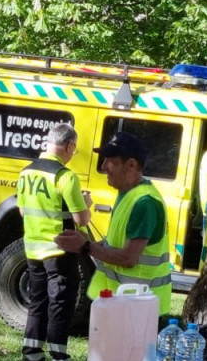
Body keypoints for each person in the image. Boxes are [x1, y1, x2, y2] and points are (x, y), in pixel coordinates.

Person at [53, 131, 172, 325]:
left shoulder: (144, 203)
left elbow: (128, 258)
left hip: (139, 306)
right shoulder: (128, 194)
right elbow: (114, 244)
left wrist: (85, 247)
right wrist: (82, 243)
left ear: (131, 165)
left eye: (111, 161)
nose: (103, 167)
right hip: (125, 303)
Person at [17, 123, 92, 361]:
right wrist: (87, 203)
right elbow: (81, 219)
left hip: (33, 249)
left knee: (37, 305)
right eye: (75, 150)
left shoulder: (26, 172)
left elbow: (22, 211)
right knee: (60, 307)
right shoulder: (65, 176)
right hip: (59, 252)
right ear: (69, 146)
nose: (73, 154)